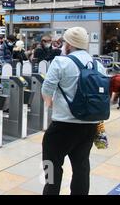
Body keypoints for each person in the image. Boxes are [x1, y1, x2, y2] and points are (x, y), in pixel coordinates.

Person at [41, 27, 106, 195]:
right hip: (89, 127)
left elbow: (47, 88)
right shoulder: (98, 65)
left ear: (69, 44)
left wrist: (51, 104)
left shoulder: (61, 62)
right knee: (81, 167)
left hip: (62, 126)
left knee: (51, 166)